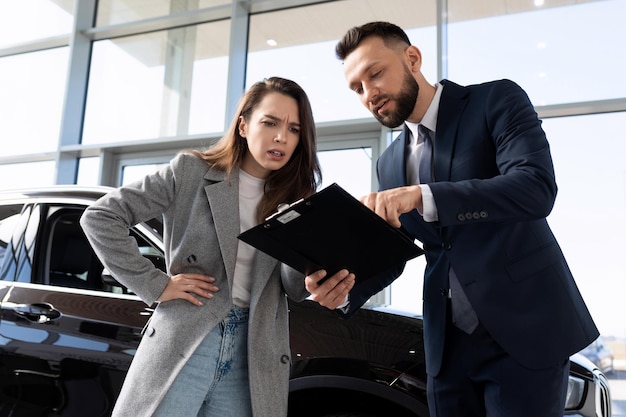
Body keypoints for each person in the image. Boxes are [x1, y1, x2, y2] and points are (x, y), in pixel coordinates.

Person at [305, 21, 599, 417]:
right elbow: (399, 252)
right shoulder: (390, 162)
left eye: (375, 74)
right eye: (356, 88)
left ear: (412, 58)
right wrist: (344, 289)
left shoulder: (496, 100)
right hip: (446, 347)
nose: (369, 93)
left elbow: (535, 187)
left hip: (523, 330)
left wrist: (423, 196)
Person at [80, 76, 322, 417]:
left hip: (253, 352)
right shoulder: (191, 171)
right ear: (243, 125)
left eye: (294, 129)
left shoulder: (297, 201)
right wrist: (156, 284)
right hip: (190, 336)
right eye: (270, 123)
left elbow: (294, 289)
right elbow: (100, 216)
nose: (282, 136)